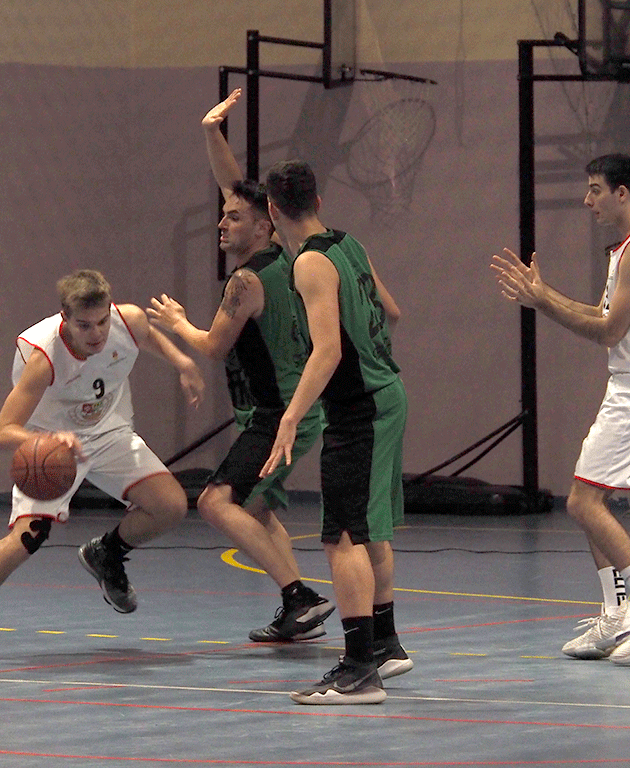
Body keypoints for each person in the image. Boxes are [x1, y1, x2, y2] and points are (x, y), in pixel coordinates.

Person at [0, 269, 204, 660]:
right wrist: (47, 441)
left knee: (171, 505)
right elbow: (2, 432)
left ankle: (106, 553)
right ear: (65, 319)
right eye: (85, 325)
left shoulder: (128, 320)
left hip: (109, 433)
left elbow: (147, 336)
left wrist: (183, 362)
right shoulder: (45, 358)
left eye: (102, 321)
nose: (97, 333)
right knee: (28, 538)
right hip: (51, 444)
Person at [146, 89, 333, 643]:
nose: (222, 223)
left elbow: (211, 347)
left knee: (213, 501)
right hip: (283, 409)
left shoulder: (247, 280)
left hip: (280, 414)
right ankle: (297, 607)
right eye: (222, 216)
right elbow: (235, 187)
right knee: (253, 510)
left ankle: (300, 596)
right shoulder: (288, 256)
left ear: (264, 224)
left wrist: (177, 322)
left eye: (233, 218)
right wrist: (211, 133)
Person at [492, 153, 630, 664]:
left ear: (623, 193)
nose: (587, 199)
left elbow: (608, 331)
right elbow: (602, 314)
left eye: (596, 189)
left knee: (581, 503)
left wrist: (545, 304)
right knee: (587, 498)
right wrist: (542, 295)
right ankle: (617, 614)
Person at [260, 160, 409, 705]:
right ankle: (386, 646)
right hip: (386, 395)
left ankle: (356, 671)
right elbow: (392, 312)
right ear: (318, 202)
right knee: (369, 530)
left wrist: (292, 415)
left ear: (273, 211)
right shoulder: (349, 245)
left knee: (341, 536)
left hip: (360, 409)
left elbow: (328, 352)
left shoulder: (310, 265)